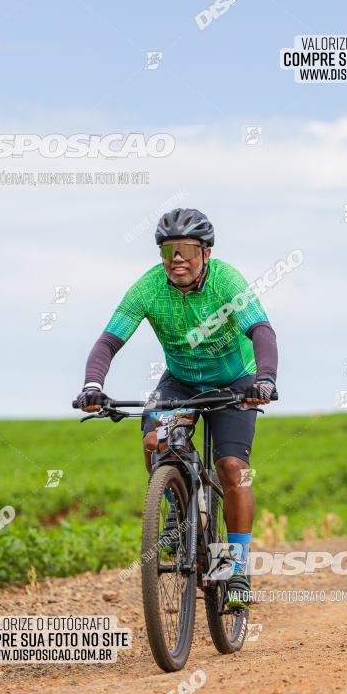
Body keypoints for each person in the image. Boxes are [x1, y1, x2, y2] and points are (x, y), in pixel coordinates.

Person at [75, 208, 278, 608]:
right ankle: (174, 507)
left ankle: (235, 568)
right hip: (181, 382)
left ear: (205, 253)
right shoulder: (148, 288)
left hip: (234, 382)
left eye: (186, 249)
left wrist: (265, 380)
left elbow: (261, 331)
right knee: (154, 439)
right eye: (168, 250)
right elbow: (108, 342)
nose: (176, 258)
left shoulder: (227, 282)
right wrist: (93, 386)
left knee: (232, 468)